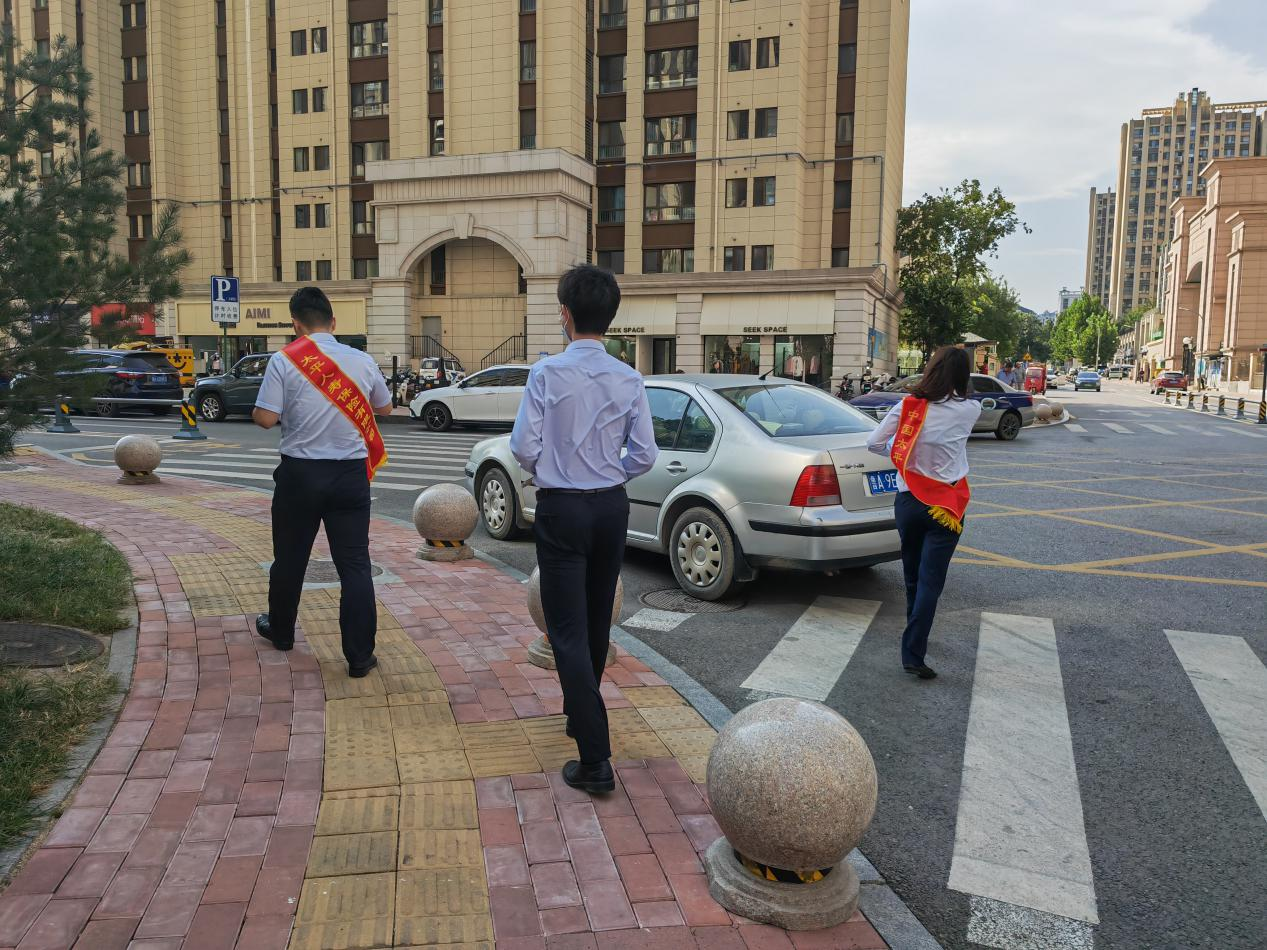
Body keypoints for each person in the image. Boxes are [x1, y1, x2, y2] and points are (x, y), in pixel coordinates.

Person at [510, 264, 658, 794]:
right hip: (610, 508)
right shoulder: (628, 377)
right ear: (611, 318)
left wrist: (554, 469)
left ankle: (595, 757)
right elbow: (644, 453)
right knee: (596, 623)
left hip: (562, 508)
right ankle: (582, 715)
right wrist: (607, 472)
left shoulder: (547, 373)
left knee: (567, 630)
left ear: (565, 315)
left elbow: (524, 447)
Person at [251, 287, 392, 677]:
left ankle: (281, 632)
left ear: (296, 323)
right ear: (334, 322)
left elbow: (265, 418)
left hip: (300, 476)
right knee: (355, 565)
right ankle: (360, 656)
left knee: (291, 559)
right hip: (350, 476)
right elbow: (384, 406)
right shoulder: (362, 360)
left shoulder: (284, 360)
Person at [866, 346, 981, 680]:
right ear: (962, 375)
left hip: (909, 502)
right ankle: (914, 650)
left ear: (931, 370)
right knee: (931, 581)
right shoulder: (970, 409)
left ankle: (914, 634)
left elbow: (874, 443)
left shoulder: (907, 406)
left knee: (913, 574)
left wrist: (901, 448)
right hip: (946, 506)